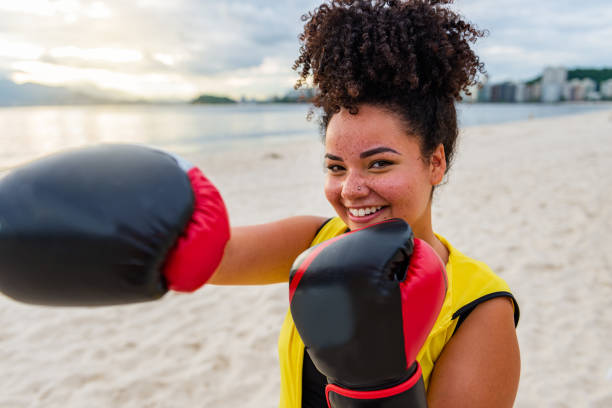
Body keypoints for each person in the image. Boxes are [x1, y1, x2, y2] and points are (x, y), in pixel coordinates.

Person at [209, 0, 520, 407]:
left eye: (379, 163)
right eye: (336, 167)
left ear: (435, 162)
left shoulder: (480, 309)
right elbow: (205, 256)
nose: (351, 189)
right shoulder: (317, 241)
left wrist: (374, 390)